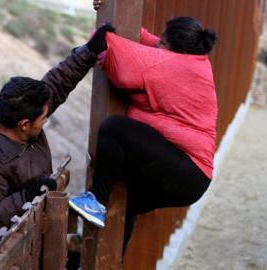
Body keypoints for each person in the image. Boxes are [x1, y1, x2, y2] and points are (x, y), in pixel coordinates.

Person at [70, 3, 218, 247]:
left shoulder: (172, 67)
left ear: (174, 50)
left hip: (187, 171)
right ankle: (100, 261)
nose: (158, 45)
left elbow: (110, 49)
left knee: (115, 128)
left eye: (163, 44)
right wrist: (107, 9)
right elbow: (146, 41)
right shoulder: (192, 62)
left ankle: (94, 201)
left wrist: (103, 28)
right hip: (191, 176)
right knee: (125, 204)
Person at [0, 24, 116, 244]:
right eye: (43, 118)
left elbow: (57, 83)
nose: (46, 119)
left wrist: (90, 51)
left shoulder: (21, 117)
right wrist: (26, 196)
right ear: (24, 124)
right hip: (21, 250)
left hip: (45, 234)